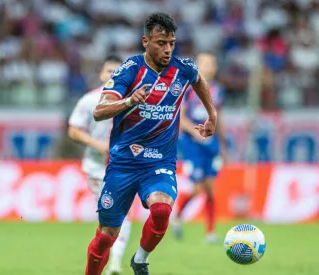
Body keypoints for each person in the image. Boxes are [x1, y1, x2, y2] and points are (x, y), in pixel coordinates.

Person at [84, 12, 217, 275]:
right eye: (160, 43)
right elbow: (100, 111)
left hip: (159, 162)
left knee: (161, 208)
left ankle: (141, 259)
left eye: (171, 43)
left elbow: (198, 79)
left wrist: (211, 114)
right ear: (146, 41)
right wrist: (130, 101)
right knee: (107, 235)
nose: (167, 49)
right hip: (123, 165)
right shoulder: (130, 70)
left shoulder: (182, 69)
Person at [68, 55, 131, 275]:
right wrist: (98, 145)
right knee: (109, 217)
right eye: (109, 71)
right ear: (101, 74)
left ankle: (114, 263)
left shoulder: (132, 100)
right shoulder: (89, 101)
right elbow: (74, 130)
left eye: (117, 72)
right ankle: (104, 261)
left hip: (124, 167)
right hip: (97, 168)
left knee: (122, 214)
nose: (113, 75)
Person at [173, 52, 227, 244]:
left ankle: (210, 232)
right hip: (193, 143)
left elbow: (217, 117)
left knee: (211, 189)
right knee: (197, 189)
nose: (209, 67)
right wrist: (196, 134)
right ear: (197, 65)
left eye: (212, 63)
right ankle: (178, 217)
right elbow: (181, 116)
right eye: (205, 63)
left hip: (210, 143)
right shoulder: (188, 88)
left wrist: (222, 144)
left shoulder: (218, 90)